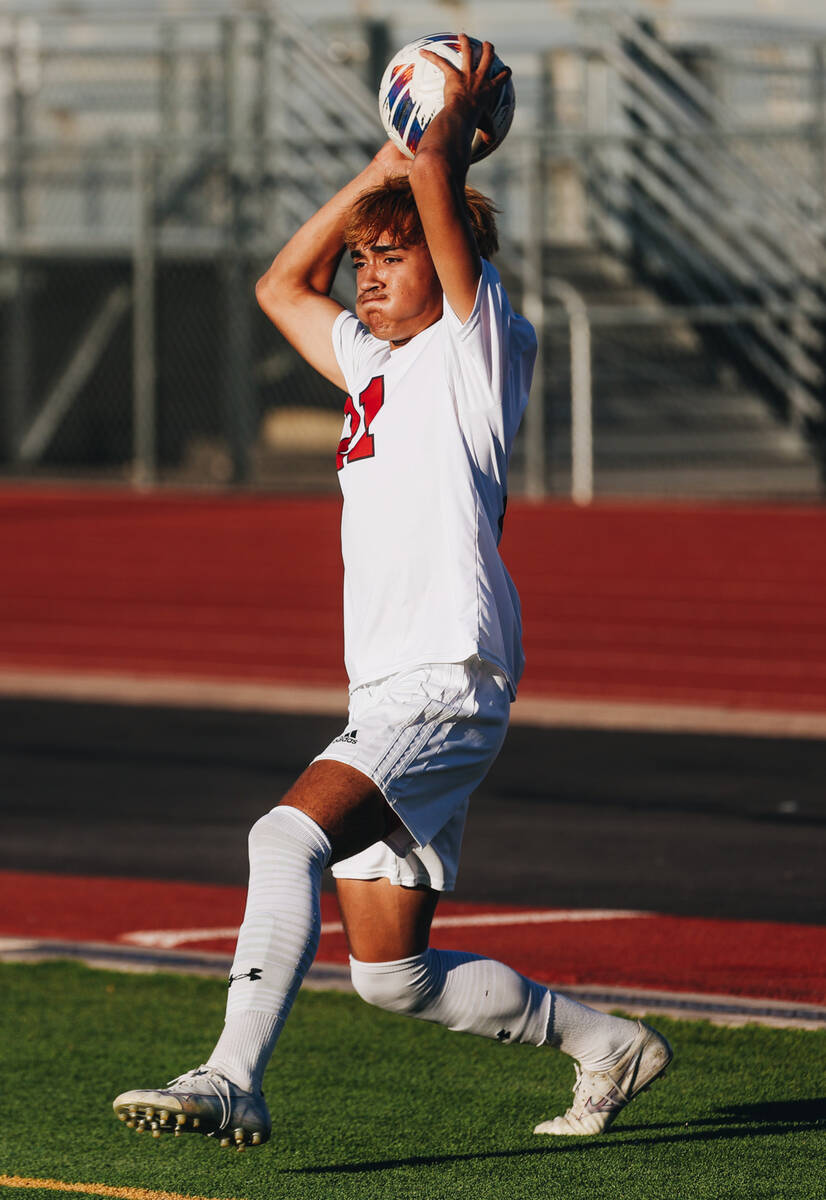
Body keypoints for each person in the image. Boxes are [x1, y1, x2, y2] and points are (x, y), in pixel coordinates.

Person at [113, 36, 671, 1151]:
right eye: (364, 259)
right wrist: (379, 170)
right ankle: (605, 1043)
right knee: (393, 974)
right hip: (390, 689)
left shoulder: (477, 342)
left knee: (283, 839)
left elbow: (441, 220)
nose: (367, 274)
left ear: (448, 256)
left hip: (445, 675)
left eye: (392, 256)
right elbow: (279, 283)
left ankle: (232, 1074)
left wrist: (437, 142)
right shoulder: (373, 362)